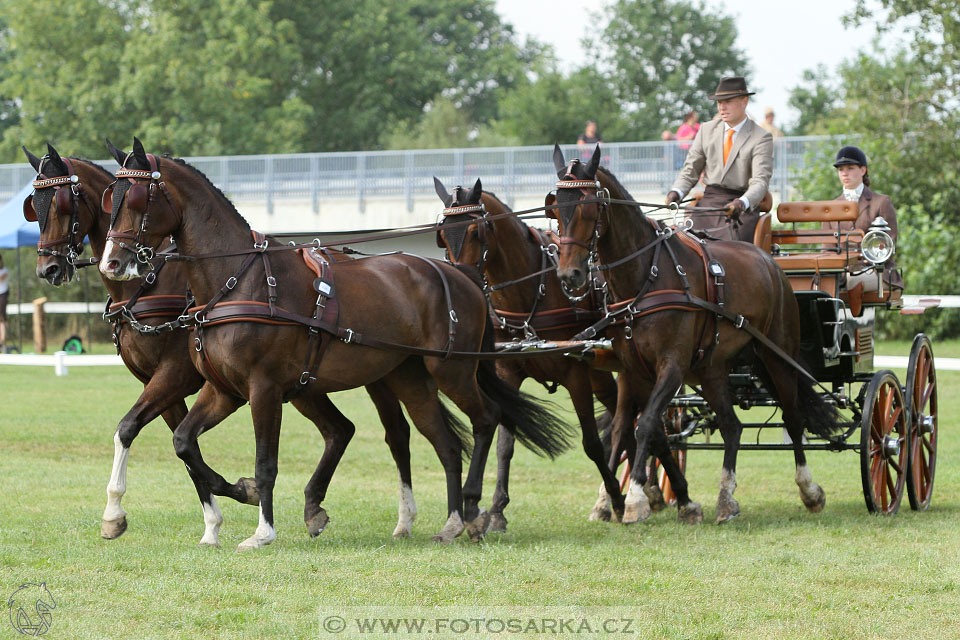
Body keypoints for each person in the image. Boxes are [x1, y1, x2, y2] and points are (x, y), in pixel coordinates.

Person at [666, 76, 773, 242]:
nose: (722, 107)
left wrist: (742, 203)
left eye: (728, 101)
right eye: (719, 102)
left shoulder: (761, 137)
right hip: (708, 205)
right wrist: (677, 192)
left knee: (729, 251)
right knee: (681, 246)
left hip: (740, 210)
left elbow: (760, 182)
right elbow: (690, 170)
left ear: (744, 101)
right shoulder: (706, 130)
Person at [824, 146, 903, 293]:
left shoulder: (881, 202)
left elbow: (888, 245)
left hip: (878, 272)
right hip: (840, 273)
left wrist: (859, 264)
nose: (845, 173)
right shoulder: (831, 207)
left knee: (854, 280)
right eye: (841, 169)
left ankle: (851, 315)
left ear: (863, 170)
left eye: (850, 168)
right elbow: (827, 249)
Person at [0, 254, 9, 353]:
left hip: (2, 295)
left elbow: (1, 279)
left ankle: (3, 340)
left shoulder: (5, 270)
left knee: (2, 317)